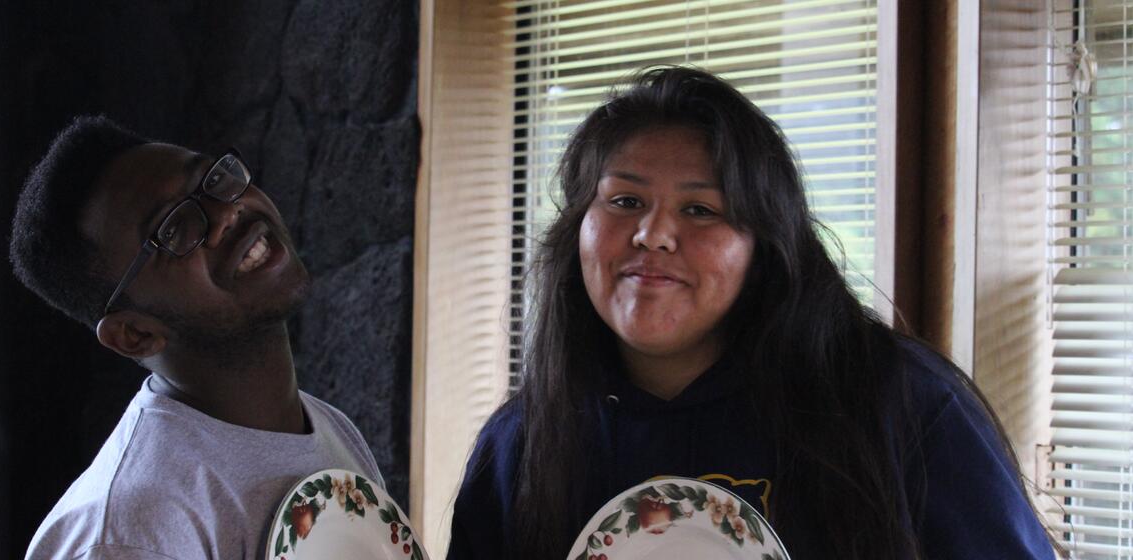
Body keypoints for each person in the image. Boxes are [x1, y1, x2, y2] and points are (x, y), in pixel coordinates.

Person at [447, 67, 1057, 559]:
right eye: (625, 201)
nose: (652, 235)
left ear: (765, 247)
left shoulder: (897, 402)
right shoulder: (522, 443)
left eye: (700, 210)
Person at [11, 115, 384, 559]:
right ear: (135, 334)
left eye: (211, 179)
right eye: (173, 229)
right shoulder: (135, 530)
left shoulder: (325, 425)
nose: (227, 211)